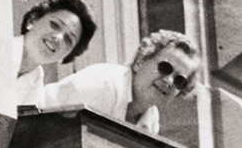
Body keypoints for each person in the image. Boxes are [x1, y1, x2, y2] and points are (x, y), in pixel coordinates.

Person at [40, 28, 200, 134]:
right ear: (140, 61)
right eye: (165, 68)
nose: (169, 81)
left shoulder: (150, 118)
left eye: (180, 80)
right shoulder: (103, 84)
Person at [14, 0, 97, 107]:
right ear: (33, 20)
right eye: (55, 25)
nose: (58, 38)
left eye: (68, 40)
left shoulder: (36, 84)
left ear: (67, 56)